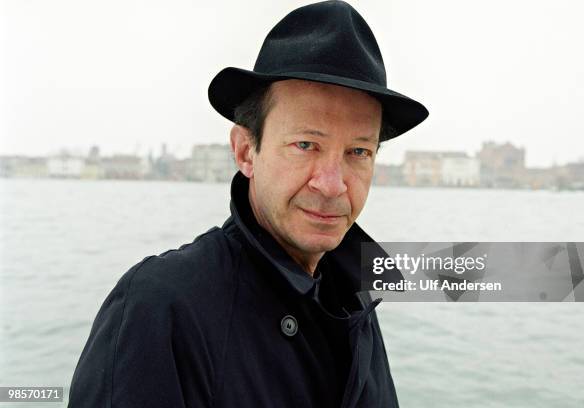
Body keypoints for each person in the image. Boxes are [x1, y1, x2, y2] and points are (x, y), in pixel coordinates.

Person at [67, 1, 428, 407]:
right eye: (305, 145)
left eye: (358, 152)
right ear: (245, 151)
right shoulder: (159, 307)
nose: (332, 185)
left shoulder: (355, 300)